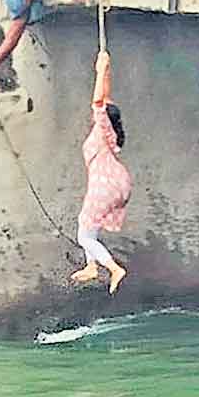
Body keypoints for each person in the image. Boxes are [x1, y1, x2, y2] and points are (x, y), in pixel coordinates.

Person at [69, 50, 132, 294]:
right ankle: (91, 266)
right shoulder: (109, 133)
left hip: (105, 185)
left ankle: (113, 268)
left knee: (85, 237)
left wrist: (100, 71)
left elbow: (98, 102)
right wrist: (107, 69)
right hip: (117, 182)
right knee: (87, 224)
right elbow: (104, 98)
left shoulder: (102, 129)